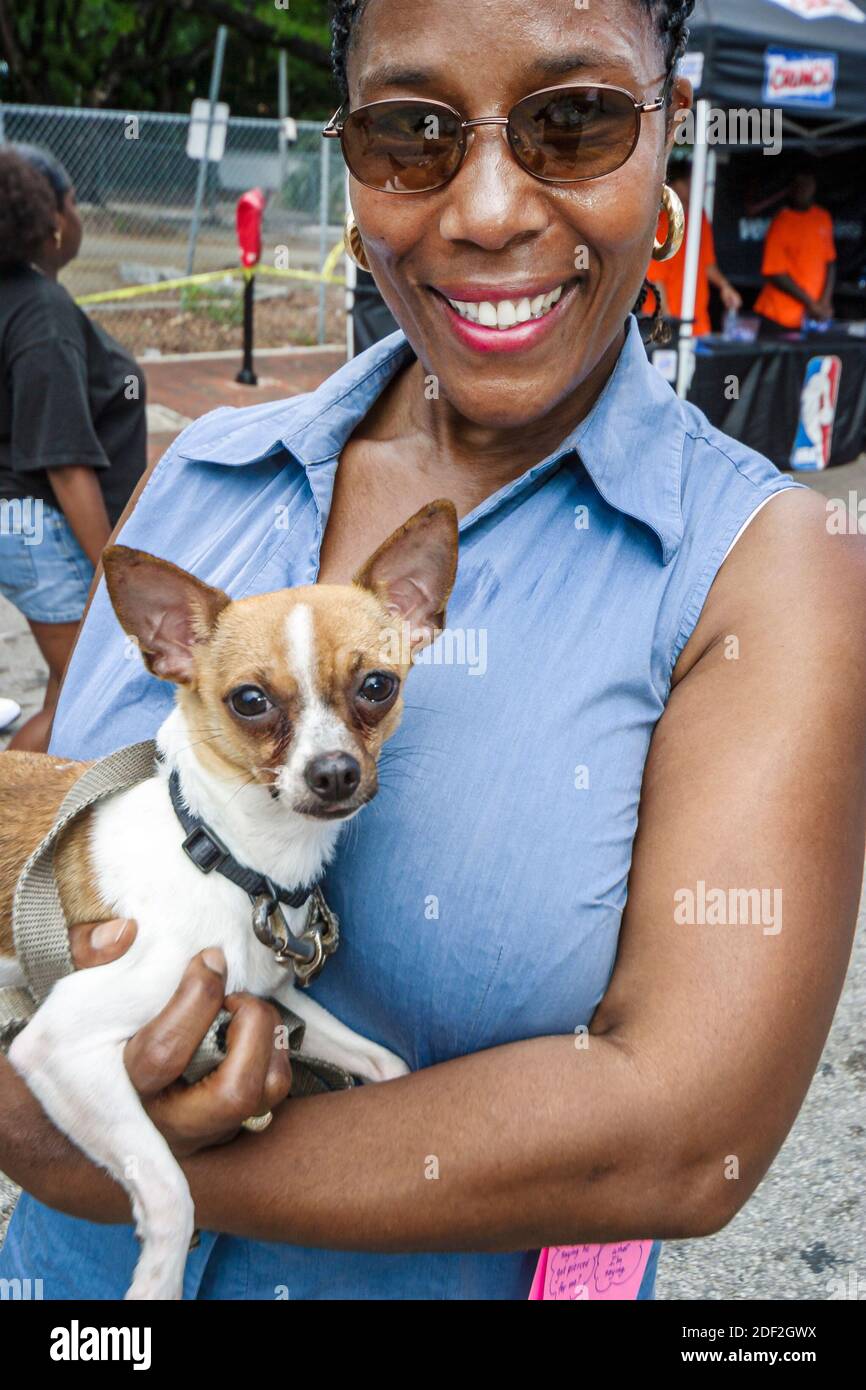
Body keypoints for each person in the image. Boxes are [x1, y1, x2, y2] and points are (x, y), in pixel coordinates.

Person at [1, 0, 864, 1302]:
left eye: (573, 121)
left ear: (670, 128)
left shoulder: (764, 566)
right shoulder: (213, 473)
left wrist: (90, 1150)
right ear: (346, 156)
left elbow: (682, 1137)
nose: (485, 210)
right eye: (410, 134)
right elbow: (51, 835)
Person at [0, 145, 146, 752]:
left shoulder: (16, 297)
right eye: (75, 201)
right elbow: (63, 460)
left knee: (66, 687)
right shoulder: (42, 313)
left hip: (20, 525)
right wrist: (115, 568)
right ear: (56, 217)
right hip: (43, 527)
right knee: (83, 700)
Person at [646, 162, 741, 335]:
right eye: (690, 182)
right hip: (669, 320)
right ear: (675, 185)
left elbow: (708, 264)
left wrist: (725, 286)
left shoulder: (700, 217)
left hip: (698, 320)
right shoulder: (660, 222)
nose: (699, 186)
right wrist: (666, 320)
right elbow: (656, 277)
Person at [754, 170, 836, 335]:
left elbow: (830, 261)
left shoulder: (822, 217)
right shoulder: (781, 222)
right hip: (779, 316)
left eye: (807, 184)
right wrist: (811, 303)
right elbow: (775, 272)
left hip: (813, 318)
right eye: (799, 185)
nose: (803, 190)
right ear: (791, 189)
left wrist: (824, 302)